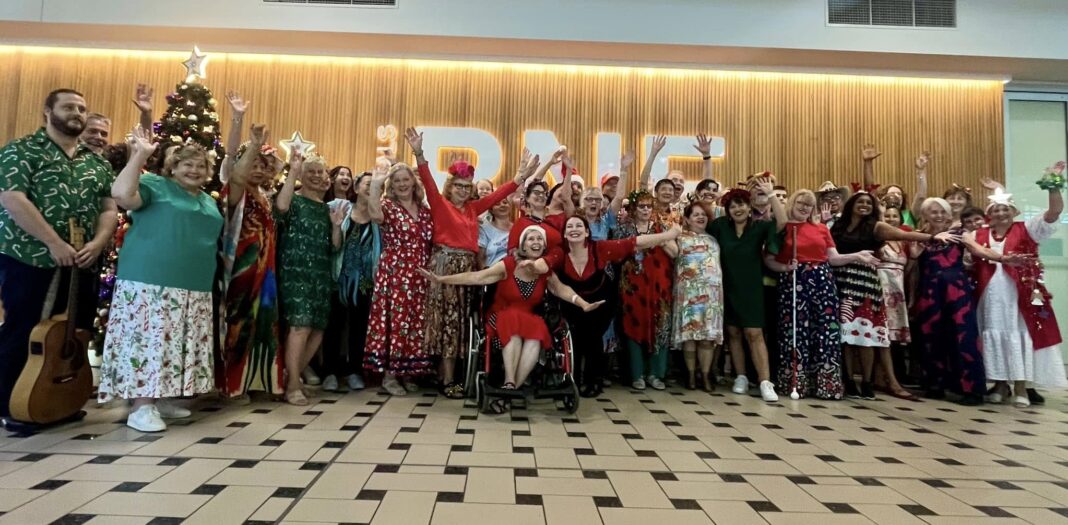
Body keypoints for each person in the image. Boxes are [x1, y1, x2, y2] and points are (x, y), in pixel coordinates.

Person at [0, 88, 117, 422]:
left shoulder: (97, 162)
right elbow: (13, 199)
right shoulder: (22, 150)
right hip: (30, 256)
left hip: (83, 260)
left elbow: (109, 208)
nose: (77, 113)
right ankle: (10, 405)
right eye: (68, 107)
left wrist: (98, 243)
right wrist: (53, 242)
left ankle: (58, 402)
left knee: (75, 331)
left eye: (82, 108)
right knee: (26, 330)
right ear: (48, 112)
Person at [99, 126, 223, 432]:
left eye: (201, 165)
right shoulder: (155, 185)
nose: (194, 170)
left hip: (193, 286)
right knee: (150, 343)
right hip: (150, 282)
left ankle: (162, 398)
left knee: (175, 344)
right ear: (173, 167)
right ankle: (141, 407)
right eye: (187, 164)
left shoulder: (207, 200)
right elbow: (121, 195)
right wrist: (139, 155)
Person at [406, 128, 539, 399]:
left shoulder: (472, 209)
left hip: (468, 269)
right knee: (448, 324)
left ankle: (450, 375)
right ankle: (447, 380)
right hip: (445, 266)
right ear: (450, 186)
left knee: (463, 324)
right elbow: (428, 181)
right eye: (459, 186)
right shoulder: (440, 204)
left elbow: (498, 195)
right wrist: (419, 153)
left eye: (467, 187)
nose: (463, 191)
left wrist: (520, 176)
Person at [420, 225, 603, 413]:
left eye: (539, 239)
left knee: (536, 334)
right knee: (514, 324)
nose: (536, 242)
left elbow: (562, 290)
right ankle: (509, 382)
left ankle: (509, 391)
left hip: (528, 320)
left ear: (544, 246)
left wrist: (583, 304)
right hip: (500, 316)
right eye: (531, 239)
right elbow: (477, 277)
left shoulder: (544, 271)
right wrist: (441, 279)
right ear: (523, 246)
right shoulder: (507, 264)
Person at [831, 189, 954, 401]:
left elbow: (904, 235)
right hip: (842, 281)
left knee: (867, 334)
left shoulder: (875, 227)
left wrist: (932, 237)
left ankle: (867, 382)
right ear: (851, 205)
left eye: (868, 203)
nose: (864, 206)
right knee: (846, 335)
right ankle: (849, 381)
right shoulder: (838, 227)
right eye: (860, 202)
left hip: (866, 282)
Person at [766, 190, 879, 400]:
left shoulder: (821, 228)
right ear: (792, 203)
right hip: (794, 283)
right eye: (801, 203)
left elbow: (833, 258)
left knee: (825, 331)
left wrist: (857, 256)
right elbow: (769, 259)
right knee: (795, 332)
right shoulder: (782, 228)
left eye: (809, 205)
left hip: (823, 283)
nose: (804, 207)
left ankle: (826, 385)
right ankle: (796, 383)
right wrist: (785, 268)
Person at [910, 197, 1019, 405]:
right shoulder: (920, 236)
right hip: (929, 291)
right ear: (924, 215)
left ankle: (972, 389)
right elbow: (913, 262)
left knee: (963, 336)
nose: (939, 216)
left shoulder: (960, 233)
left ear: (949, 215)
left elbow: (979, 250)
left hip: (956, 291)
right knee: (930, 336)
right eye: (933, 212)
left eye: (943, 212)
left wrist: (1002, 258)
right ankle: (936, 385)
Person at [556, 215, 680, 397]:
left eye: (579, 226)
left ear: (587, 232)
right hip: (572, 302)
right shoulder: (559, 254)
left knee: (593, 336)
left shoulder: (599, 248)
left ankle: (594, 381)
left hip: (600, 302)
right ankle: (572, 382)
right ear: (565, 234)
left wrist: (668, 235)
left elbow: (635, 243)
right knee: (575, 337)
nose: (574, 229)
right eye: (570, 227)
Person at [975, 180, 1065, 407]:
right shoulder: (979, 234)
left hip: (1021, 294)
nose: (1001, 213)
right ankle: (1000, 384)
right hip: (991, 295)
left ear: (1014, 212)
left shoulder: (1027, 229)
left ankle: (1021, 387)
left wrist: (1053, 185)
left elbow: (1054, 212)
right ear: (989, 215)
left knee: (1020, 334)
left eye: (1005, 209)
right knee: (994, 332)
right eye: (996, 209)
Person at [218, 108, 286, 400]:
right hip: (242, 268)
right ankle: (232, 385)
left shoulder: (266, 197)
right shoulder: (237, 192)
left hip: (266, 270)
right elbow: (234, 174)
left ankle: (258, 381)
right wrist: (251, 141)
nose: (257, 170)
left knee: (264, 324)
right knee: (240, 322)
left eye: (262, 166)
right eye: (252, 164)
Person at [705, 180, 785, 402]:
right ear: (727, 210)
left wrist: (771, 195)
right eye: (732, 206)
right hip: (726, 287)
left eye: (741, 204)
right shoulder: (720, 226)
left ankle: (765, 381)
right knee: (733, 333)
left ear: (749, 207)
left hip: (752, 288)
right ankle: (740, 377)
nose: (737, 209)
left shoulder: (760, 227)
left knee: (754, 333)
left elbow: (782, 223)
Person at [275, 152, 345, 405]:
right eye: (311, 172)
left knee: (317, 328)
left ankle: (290, 378)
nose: (317, 176)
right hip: (295, 273)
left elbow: (335, 247)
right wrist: (293, 170)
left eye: (320, 172)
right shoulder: (292, 200)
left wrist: (336, 226)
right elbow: (281, 208)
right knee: (300, 326)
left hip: (320, 275)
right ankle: (293, 384)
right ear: (302, 176)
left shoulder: (326, 209)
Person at [364, 160, 434, 395]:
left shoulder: (425, 210)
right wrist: (376, 185)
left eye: (406, 179)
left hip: (420, 275)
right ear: (391, 185)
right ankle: (390, 375)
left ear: (413, 182)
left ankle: (408, 371)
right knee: (395, 322)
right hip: (395, 273)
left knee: (415, 323)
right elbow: (375, 216)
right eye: (397, 181)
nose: (402, 184)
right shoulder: (387, 205)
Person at [612, 189, 679, 390]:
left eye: (649, 206)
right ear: (633, 208)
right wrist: (660, 238)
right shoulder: (624, 229)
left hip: (659, 286)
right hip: (633, 287)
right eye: (641, 206)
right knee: (634, 326)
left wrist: (661, 237)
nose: (645, 210)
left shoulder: (662, 226)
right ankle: (637, 374)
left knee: (661, 326)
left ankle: (656, 374)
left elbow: (674, 252)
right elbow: (620, 252)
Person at [673, 203, 723, 391]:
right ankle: (691, 376)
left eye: (703, 214)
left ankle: (706, 375)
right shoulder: (679, 239)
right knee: (690, 337)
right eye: (696, 215)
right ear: (687, 219)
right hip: (688, 294)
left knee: (707, 338)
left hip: (711, 295)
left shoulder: (714, 240)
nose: (700, 217)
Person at [877, 205, 914, 391]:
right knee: (881, 332)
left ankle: (893, 375)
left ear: (901, 219)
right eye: (887, 215)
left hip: (897, 290)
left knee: (894, 335)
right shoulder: (878, 239)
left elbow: (909, 268)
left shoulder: (903, 241)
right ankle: (880, 376)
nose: (891, 219)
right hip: (881, 288)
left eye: (894, 216)